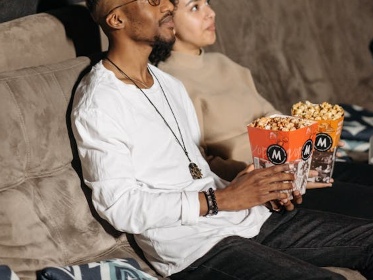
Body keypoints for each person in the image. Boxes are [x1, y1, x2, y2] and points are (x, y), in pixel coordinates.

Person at [72, 0, 373, 279]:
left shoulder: (168, 84)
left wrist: (260, 186)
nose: (167, 5)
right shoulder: (99, 103)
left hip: (247, 217)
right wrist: (223, 199)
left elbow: (197, 166)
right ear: (117, 18)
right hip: (195, 247)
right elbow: (119, 206)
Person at [149, 0, 373, 219]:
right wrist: (261, 176)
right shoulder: (168, 83)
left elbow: (274, 118)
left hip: (296, 163)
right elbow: (198, 162)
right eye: (195, 7)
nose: (211, 13)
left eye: (207, 3)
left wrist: (311, 137)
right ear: (168, 21)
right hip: (264, 184)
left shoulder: (223, 62)